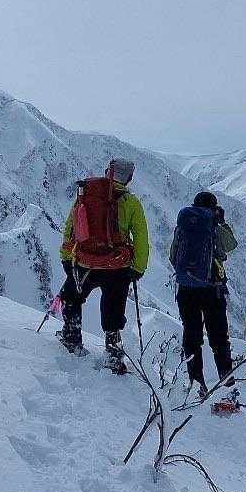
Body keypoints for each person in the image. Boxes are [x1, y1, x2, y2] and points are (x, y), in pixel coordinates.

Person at [57, 158, 149, 372]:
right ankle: (113, 355)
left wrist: (66, 257)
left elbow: (71, 227)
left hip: (85, 262)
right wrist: (138, 268)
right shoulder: (131, 202)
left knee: (71, 297)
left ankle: (71, 337)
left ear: (108, 172)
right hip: (117, 266)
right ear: (129, 178)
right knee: (113, 309)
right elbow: (141, 238)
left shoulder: (86, 195)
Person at [170, 191, 238, 397]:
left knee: (192, 337)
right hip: (212, 290)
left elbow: (173, 256)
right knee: (219, 339)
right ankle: (228, 386)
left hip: (186, 290)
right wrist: (221, 222)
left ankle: (196, 384)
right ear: (213, 208)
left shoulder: (183, 226)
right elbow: (231, 245)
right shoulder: (214, 226)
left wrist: (190, 275)